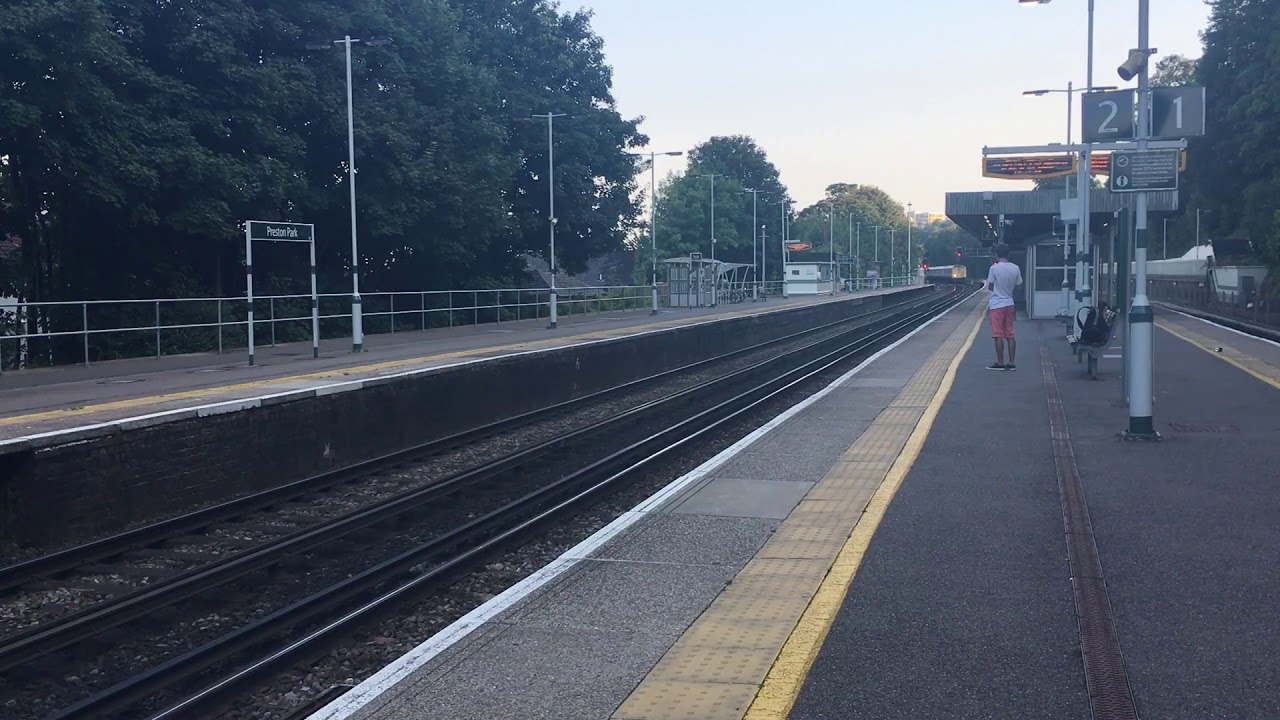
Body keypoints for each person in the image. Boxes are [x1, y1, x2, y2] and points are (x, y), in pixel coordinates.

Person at [984, 243, 1023, 370]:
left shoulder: (994, 269)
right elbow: (1019, 285)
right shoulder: (1015, 268)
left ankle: (1000, 362)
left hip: (997, 304)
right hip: (1009, 303)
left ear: (996, 254)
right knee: (1010, 334)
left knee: (998, 334)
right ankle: (1012, 363)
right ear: (1008, 254)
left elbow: (990, 286)